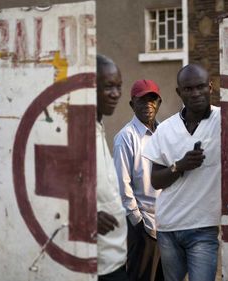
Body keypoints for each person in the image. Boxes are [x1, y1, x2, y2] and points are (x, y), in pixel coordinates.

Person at [142, 64, 221, 281]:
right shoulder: (166, 129)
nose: (195, 93)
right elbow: (156, 181)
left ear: (210, 87)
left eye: (201, 87)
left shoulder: (225, 121)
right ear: (179, 92)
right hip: (168, 227)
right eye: (188, 89)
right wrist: (180, 166)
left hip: (203, 228)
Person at [113, 80, 164, 281]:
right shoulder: (125, 137)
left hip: (168, 225)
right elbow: (122, 185)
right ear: (132, 104)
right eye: (141, 100)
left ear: (158, 102)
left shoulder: (164, 133)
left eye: (152, 99)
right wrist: (139, 223)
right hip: (143, 227)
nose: (147, 105)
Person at [96, 54, 128, 281]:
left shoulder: (98, 126)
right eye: (108, 87)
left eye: (118, 87)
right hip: (96, 262)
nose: (116, 94)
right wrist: (84, 215)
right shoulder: (74, 133)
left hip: (115, 256)